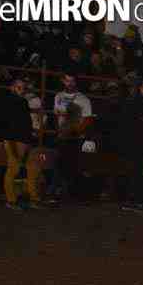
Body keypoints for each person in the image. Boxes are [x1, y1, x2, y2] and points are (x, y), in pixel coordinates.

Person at [0, 79, 43, 210]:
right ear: (12, 88)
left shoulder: (19, 101)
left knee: (30, 168)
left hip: (23, 139)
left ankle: (30, 199)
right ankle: (13, 200)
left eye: (22, 87)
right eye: (18, 87)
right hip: (15, 139)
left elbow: (23, 121)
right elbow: (3, 121)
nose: (21, 89)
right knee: (15, 168)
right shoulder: (13, 101)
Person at [51, 73, 94, 205]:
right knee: (61, 165)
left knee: (74, 166)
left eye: (72, 80)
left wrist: (77, 131)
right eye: (67, 80)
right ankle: (62, 194)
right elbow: (57, 114)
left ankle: (74, 195)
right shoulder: (58, 96)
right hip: (63, 135)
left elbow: (88, 119)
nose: (69, 83)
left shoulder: (83, 99)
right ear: (63, 81)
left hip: (75, 136)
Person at [118, 81, 143, 214]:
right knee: (136, 170)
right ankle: (133, 200)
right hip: (136, 142)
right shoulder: (136, 103)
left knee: (137, 170)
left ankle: (135, 200)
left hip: (141, 141)